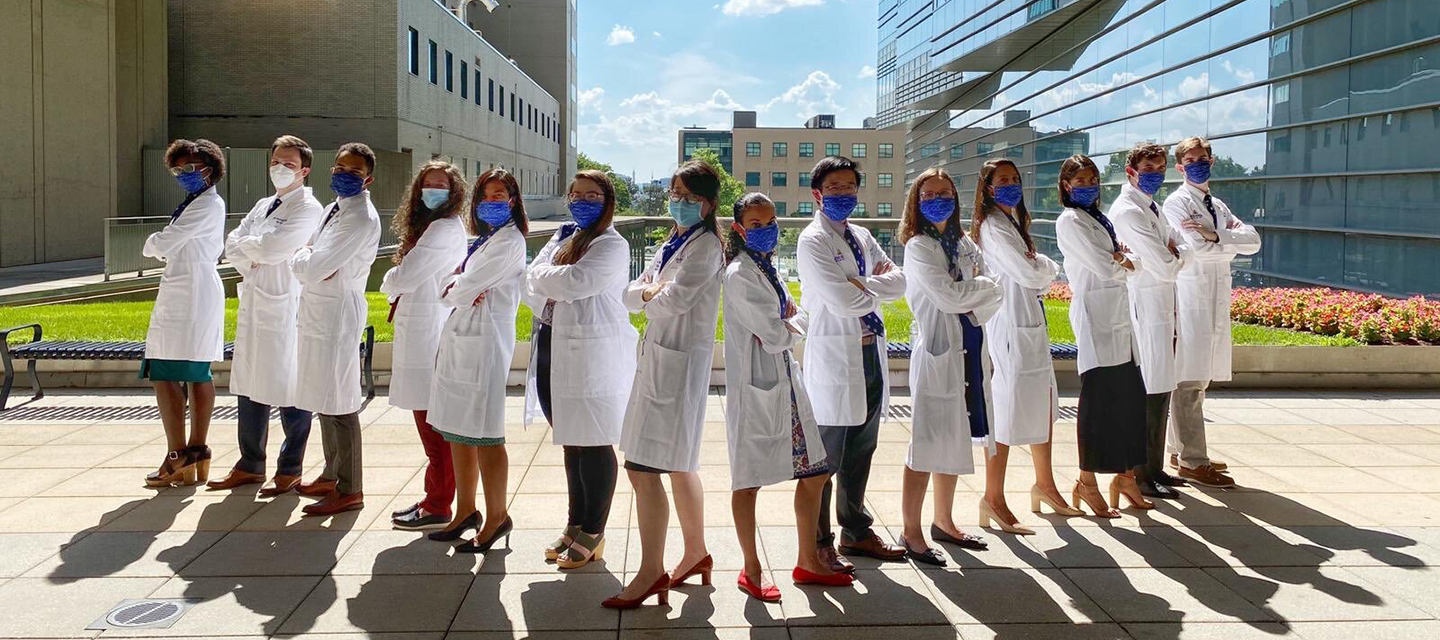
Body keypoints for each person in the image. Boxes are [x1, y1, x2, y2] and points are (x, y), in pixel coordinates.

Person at [606, 161, 725, 609]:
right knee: (678, 463)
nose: (680, 201)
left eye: (691, 197)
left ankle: (651, 571)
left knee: (642, 468)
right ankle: (695, 552)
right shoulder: (675, 240)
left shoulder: (706, 245)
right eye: (675, 193)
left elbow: (668, 301)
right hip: (662, 362)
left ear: (709, 204)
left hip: (677, 369)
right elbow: (631, 294)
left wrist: (651, 293)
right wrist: (650, 292)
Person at [722, 192, 852, 600]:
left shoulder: (766, 268)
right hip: (757, 391)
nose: (765, 231)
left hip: (786, 388)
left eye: (770, 222)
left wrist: (788, 319)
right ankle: (751, 567)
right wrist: (796, 319)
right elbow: (777, 335)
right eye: (755, 225)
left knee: (814, 473)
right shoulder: (740, 273)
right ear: (739, 230)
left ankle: (806, 561)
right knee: (748, 482)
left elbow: (781, 326)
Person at [796, 155, 908, 574]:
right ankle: (820, 541)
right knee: (827, 456)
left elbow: (901, 280)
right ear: (817, 194)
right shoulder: (811, 241)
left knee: (863, 446)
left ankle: (856, 530)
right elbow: (842, 300)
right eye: (834, 187)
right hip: (835, 355)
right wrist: (870, 288)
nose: (843, 194)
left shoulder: (861, 235)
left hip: (869, 352)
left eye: (849, 187)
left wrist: (864, 285)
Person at [525, 170, 638, 571]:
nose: (582, 201)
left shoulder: (612, 244)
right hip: (552, 345)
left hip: (592, 354)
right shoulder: (562, 237)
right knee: (570, 440)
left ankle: (594, 529)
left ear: (607, 201)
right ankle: (574, 523)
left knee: (593, 442)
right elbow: (530, 280)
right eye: (576, 195)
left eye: (592, 195)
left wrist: (543, 278)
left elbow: (575, 282)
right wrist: (544, 280)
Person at [896, 167, 1004, 563]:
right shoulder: (919, 246)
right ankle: (911, 531)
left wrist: (977, 292)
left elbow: (993, 290)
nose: (938, 199)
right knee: (925, 444)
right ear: (917, 203)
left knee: (955, 439)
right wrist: (980, 291)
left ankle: (944, 521)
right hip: (938, 351)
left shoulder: (963, 242)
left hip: (969, 346)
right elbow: (949, 297)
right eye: (929, 194)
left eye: (945, 192)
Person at [210, 135, 325, 495]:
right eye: (276, 161)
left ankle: (290, 468)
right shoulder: (263, 205)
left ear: (304, 170)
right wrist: (252, 250)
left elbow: (276, 249)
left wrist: (255, 250)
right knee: (249, 384)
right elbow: (231, 245)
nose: (280, 168)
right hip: (257, 304)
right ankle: (250, 463)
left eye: (289, 164)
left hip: (285, 306)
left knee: (290, 386)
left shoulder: (309, 208)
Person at [970, 159, 1078, 534]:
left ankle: (1045, 485)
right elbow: (1034, 272)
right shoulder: (993, 227)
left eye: (1016, 179)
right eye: (1003, 180)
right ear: (987, 188)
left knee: (1043, 404)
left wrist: (1039, 269)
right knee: (1005, 409)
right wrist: (1043, 266)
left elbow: (1038, 277)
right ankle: (993, 497)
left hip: (1029, 322)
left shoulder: (1015, 223)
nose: (1011, 185)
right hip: (1009, 328)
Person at [425, 168, 528, 551]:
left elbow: (459, 287)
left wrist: (459, 284)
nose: (491, 202)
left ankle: (497, 515)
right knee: (457, 428)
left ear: (513, 201)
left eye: (500, 195)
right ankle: (466, 510)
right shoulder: (486, 240)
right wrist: (457, 285)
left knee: (485, 433)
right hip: (461, 340)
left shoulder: (509, 242)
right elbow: (449, 287)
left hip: (483, 345)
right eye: (486, 195)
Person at [1054, 154, 1151, 516]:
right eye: (1079, 181)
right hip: (1097, 321)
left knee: (1128, 402)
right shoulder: (1070, 221)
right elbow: (1105, 266)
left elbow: (1131, 260)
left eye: (1092, 179)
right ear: (1066, 186)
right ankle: (1086, 481)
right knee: (1099, 406)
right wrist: (1122, 260)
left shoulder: (1098, 218)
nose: (1088, 185)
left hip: (1120, 323)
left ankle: (1126, 478)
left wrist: (1124, 260)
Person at [1162, 137, 1261, 488]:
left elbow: (1254, 241)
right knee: (1189, 380)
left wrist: (1216, 235)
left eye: (1202, 158)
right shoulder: (1176, 204)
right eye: (1190, 159)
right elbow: (1197, 251)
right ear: (1180, 166)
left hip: (1213, 299)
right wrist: (1224, 242)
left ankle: (1180, 449)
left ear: (1212, 160)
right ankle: (1192, 460)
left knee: (1199, 379)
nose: (1198, 164)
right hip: (1190, 299)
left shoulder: (1216, 205)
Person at [290, 143, 382, 517]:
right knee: (323, 397)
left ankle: (350, 487)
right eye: (339, 167)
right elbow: (306, 255)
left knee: (341, 400)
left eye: (354, 171)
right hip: (317, 311)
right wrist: (308, 260)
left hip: (338, 314)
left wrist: (308, 261)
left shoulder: (361, 218)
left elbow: (309, 266)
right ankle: (331, 473)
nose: (344, 175)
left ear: (368, 179)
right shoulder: (333, 210)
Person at [381, 161, 469, 530]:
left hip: (431, 333)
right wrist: (398, 280)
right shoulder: (431, 227)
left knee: (434, 425)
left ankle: (438, 504)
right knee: (427, 420)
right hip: (421, 329)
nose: (433, 190)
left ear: (455, 193)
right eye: (427, 184)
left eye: (441, 185)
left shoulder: (444, 229)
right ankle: (434, 496)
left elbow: (405, 275)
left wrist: (390, 280)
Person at [1109, 141, 1194, 500]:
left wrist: (1177, 255)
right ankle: (1140, 475)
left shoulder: (1152, 207)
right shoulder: (1128, 211)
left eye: (1160, 170)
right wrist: (1175, 257)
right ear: (1130, 172)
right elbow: (1163, 262)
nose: (1156, 176)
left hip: (1162, 305)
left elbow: (1184, 246)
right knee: (1148, 392)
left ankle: (1156, 469)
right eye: (1149, 170)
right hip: (1143, 307)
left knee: (1162, 390)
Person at [141, 139, 227, 488]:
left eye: (190, 168)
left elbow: (161, 244)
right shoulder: (197, 203)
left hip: (189, 293)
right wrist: (163, 244)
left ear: (210, 168)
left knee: (169, 373)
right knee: (195, 370)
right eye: (178, 170)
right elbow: (171, 243)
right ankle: (195, 452)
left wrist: (154, 243)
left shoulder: (206, 204)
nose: (183, 175)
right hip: (190, 290)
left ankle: (177, 456)